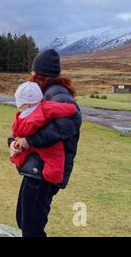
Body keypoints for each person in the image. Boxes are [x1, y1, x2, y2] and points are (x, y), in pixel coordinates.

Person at [8, 49, 82, 237]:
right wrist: (14, 141)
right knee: (24, 220)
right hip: (37, 170)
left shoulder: (58, 95)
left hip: (45, 173)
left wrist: (28, 141)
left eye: (34, 73)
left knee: (32, 227)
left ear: (40, 75)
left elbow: (68, 125)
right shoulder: (44, 93)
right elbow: (30, 124)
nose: (31, 76)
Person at [10, 81, 77, 184]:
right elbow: (69, 109)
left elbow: (69, 110)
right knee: (53, 158)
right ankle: (19, 160)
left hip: (47, 146)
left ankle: (52, 176)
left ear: (25, 104)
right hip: (30, 142)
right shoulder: (42, 108)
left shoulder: (45, 108)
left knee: (54, 157)